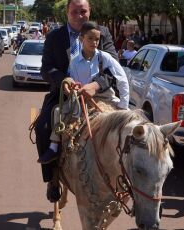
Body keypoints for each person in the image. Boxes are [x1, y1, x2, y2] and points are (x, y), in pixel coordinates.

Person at [35, 0, 117, 203]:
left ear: (90, 11)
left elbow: (113, 68)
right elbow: (46, 69)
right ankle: (52, 178)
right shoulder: (55, 36)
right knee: (43, 126)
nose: (80, 16)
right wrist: (63, 79)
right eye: (75, 12)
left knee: (127, 127)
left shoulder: (102, 33)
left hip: (99, 95)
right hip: (64, 94)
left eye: (83, 11)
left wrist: (95, 85)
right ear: (67, 12)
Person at [38, 21, 129, 164]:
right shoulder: (74, 62)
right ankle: (54, 146)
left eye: (97, 39)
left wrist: (124, 105)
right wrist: (72, 87)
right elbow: (72, 80)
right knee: (57, 112)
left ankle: (126, 154)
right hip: (82, 97)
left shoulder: (104, 57)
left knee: (127, 118)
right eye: (90, 39)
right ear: (81, 39)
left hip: (104, 95)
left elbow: (122, 78)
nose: (94, 42)